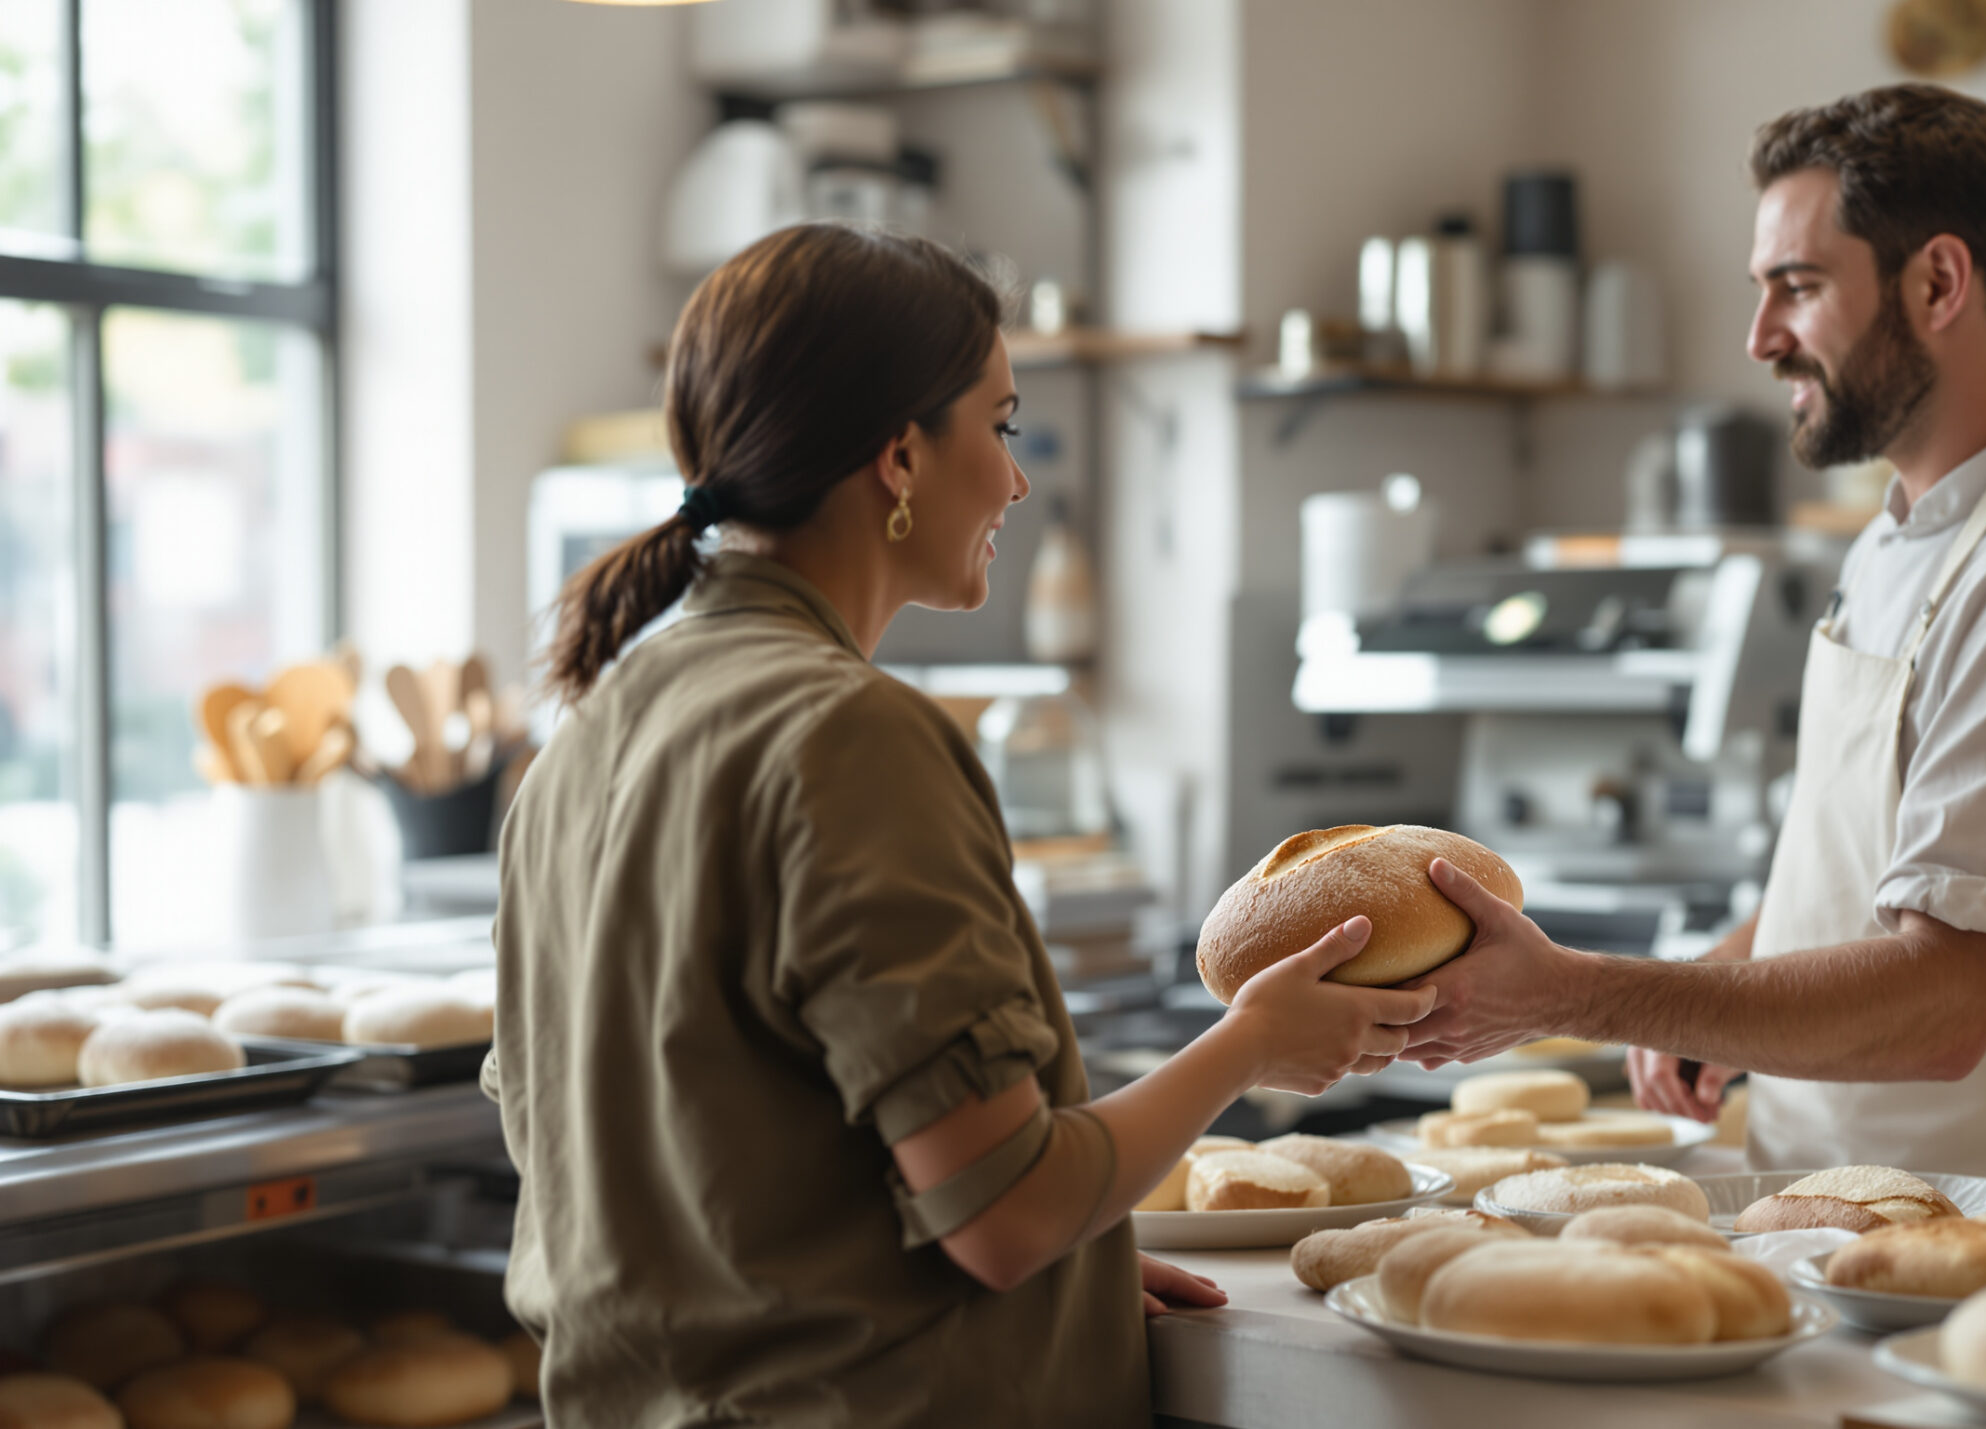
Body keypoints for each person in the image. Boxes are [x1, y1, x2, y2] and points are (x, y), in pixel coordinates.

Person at [483, 223, 1437, 1427]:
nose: (1015, 480)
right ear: (898, 456)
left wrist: (1071, 1272)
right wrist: (1253, 1043)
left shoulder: (582, 739)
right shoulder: (848, 733)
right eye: (999, 427)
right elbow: (1006, 1215)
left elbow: (659, 1169)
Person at [1396, 84, 1986, 1178]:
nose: (1759, 339)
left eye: (1795, 289)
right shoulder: (1905, 534)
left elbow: (1942, 1003)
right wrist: (1721, 975)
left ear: (1939, 282)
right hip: (1848, 1199)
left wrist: (1576, 993)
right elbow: (1884, 863)